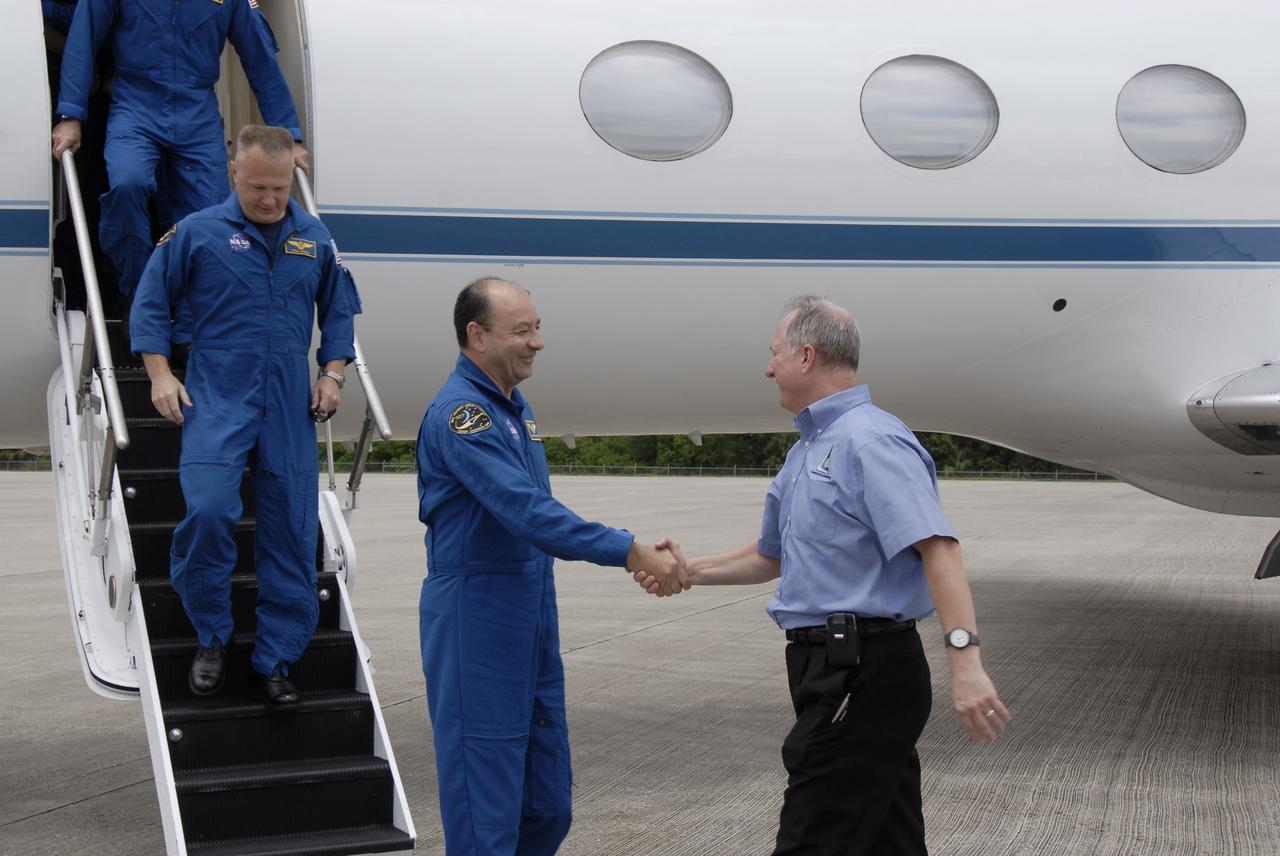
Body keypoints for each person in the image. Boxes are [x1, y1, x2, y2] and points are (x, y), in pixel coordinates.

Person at [635, 296, 1011, 856]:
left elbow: (939, 549)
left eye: (775, 354)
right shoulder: (806, 450)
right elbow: (773, 556)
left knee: (812, 838)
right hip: (827, 668)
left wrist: (966, 662)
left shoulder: (871, 439)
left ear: (806, 356)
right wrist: (687, 570)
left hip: (863, 672)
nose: (768, 368)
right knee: (888, 839)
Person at [416, 277, 690, 855]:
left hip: (530, 616)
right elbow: (528, 512)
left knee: (546, 804)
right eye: (522, 330)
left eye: (537, 327)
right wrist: (628, 549)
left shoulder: (515, 409)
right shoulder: (463, 415)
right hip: (478, 621)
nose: (537, 341)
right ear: (476, 335)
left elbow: (537, 512)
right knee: (485, 813)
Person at [130, 125, 359, 711]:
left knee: (289, 530)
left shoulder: (314, 238)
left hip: (288, 402)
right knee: (208, 511)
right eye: (258, 187)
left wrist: (332, 374)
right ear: (234, 173)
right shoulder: (197, 234)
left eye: (280, 189)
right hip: (217, 395)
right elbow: (151, 301)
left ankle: (277, 658)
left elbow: (339, 313)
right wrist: (160, 374)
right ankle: (211, 637)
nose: (268, 200)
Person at [51, 0, 309, 310]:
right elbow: (83, 38)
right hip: (136, 104)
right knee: (127, 186)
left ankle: (188, 328)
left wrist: (289, 136)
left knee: (206, 222)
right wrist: (70, 116)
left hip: (196, 111)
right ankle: (139, 297)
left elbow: (260, 60)